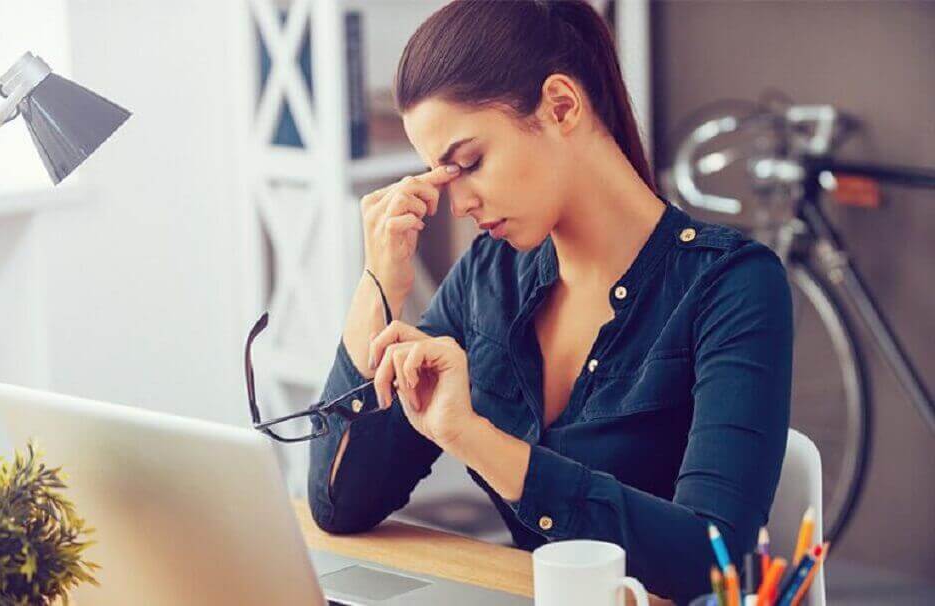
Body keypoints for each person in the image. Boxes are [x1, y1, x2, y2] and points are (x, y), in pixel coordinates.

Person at [307, 1, 792, 603]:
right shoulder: (488, 276)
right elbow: (341, 505)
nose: (457, 204)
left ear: (561, 106)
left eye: (470, 162)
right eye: (442, 174)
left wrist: (474, 439)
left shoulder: (731, 285)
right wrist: (379, 283)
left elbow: (706, 557)